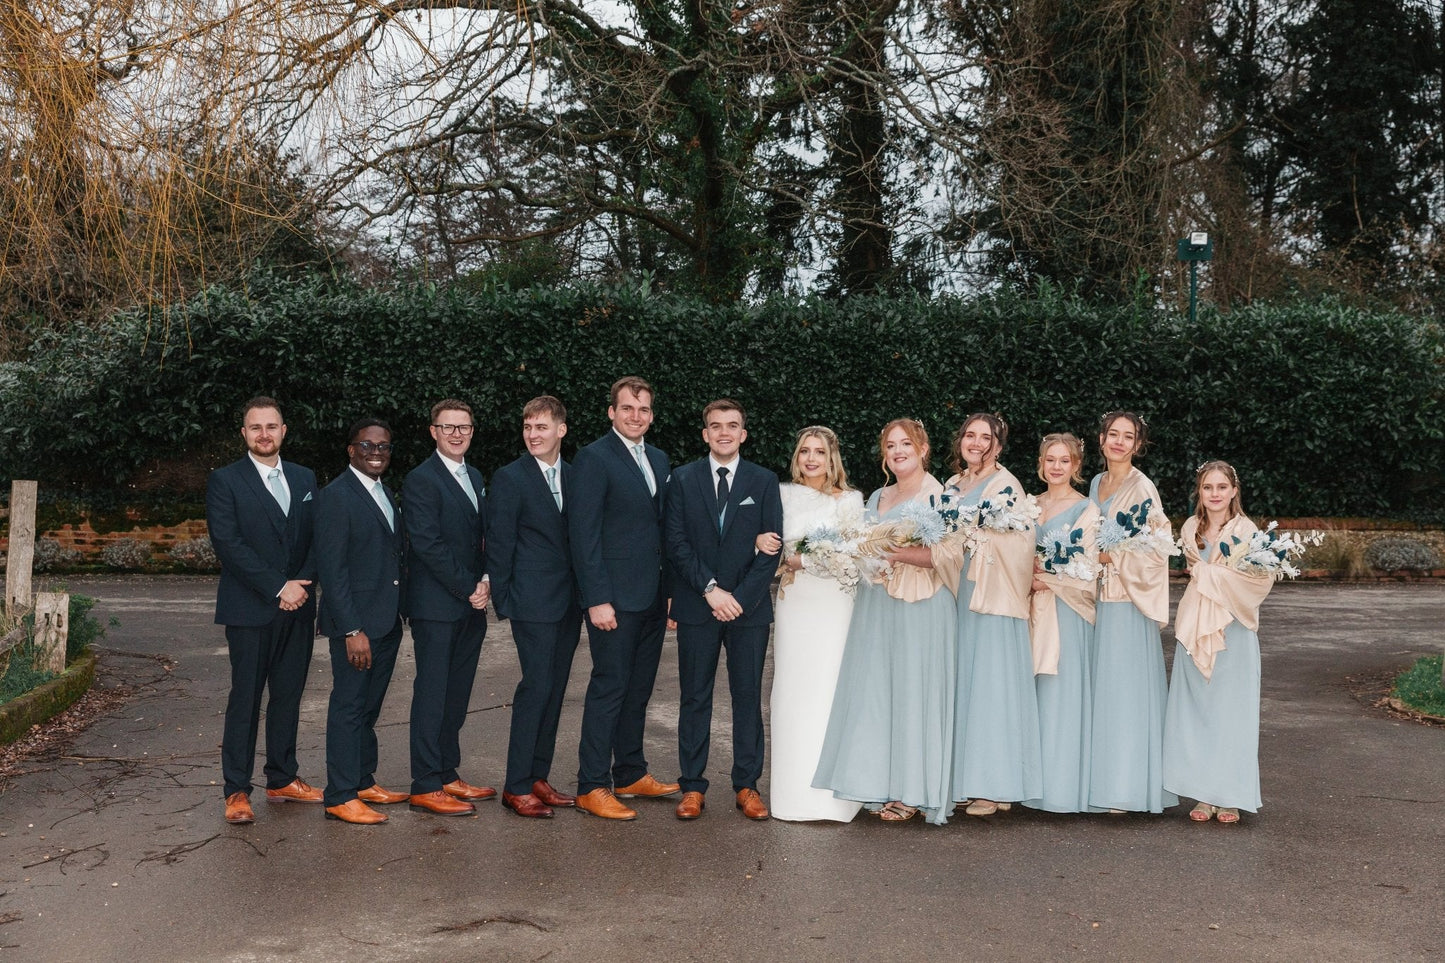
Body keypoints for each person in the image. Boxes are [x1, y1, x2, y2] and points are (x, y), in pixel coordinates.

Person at [812, 419, 958, 825]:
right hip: (877, 605)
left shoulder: (941, 496)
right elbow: (862, 543)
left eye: (905, 444)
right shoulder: (878, 495)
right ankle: (879, 782)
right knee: (879, 695)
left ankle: (914, 791)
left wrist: (894, 556)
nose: (898, 451)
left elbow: (947, 557)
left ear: (923, 448)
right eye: (891, 445)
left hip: (922, 606)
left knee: (914, 695)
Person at [205, 396, 322, 824]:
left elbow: (316, 538)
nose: (264, 434)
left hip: (299, 607)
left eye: (271, 426)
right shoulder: (225, 480)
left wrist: (302, 586)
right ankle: (236, 790)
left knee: (289, 697)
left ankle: (282, 777)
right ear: (244, 433)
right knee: (246, 699)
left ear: (284, 430)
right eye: (255, 427)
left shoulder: (305, 477)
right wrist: (278, 587)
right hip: (250, 609)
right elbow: (229, 544)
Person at [665, 400, 783, 821]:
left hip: (748, 611)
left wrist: (740, 599)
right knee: (694, 698)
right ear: (705, 435)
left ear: (743, 434)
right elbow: (676, 542)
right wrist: (711, 591)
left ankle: (747, 786)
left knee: (748, 699)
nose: (724, 433)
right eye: (715, 426)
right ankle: (692, 786)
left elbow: (772, 546)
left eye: (732, 426)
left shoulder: (764, 481)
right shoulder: (681, 479)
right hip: (699, 605)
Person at [569, 376, 680, 819]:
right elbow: (584, 535)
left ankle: (630, 771)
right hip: (613, 599)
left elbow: (665, 532)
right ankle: (591, 784)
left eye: (644, 410)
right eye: (628, 408)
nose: (637, 417)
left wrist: (671, 594)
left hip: (652, 597)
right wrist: (597, 598)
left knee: (638, 689)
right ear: (612, 412)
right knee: (609, 688)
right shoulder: (593, 459)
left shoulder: (658, 457)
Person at [935, 413, 1041, 817]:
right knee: (964, 684)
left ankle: (995, 786)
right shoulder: (953, 485)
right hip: (958, 593)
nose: (976, 443)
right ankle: (966, 779)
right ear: (960, 441)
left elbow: (1022, 540)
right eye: (970, 436)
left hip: (992, 595)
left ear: (998, 444)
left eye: (986, 437)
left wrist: (979, 535)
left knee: (992, 685)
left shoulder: (1005, 485)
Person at [485, 396, 584, 819]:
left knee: (555, 690)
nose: (533, 435)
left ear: (561, 430)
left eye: (541, 427)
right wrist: (505, 600)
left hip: (570, 604)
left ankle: (538, 777)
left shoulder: (578, 476)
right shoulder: (511, 478)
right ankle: (517, 785)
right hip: (531, 603)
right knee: (535, 689)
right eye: (527, 427)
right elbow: (500, 542)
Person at [1164, 461, 1272, 824]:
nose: (1214, 494)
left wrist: (1211, 575)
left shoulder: (1247, 530)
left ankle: (1229, 797)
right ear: (1200, 491)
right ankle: (1203, 795)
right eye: (1208, 487)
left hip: (1232, 630)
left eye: (1221, 487)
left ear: (1233, 491)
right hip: (1196, 628)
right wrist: (1208, 575)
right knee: (1198, 713)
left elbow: (1258, 583)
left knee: (1230, 714)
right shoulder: (1190, 528)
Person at [403, 399, 494, 816]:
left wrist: (486, 581)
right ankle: (425, 783)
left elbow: (481, 537)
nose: (457, 434)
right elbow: (427, 544)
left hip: (471, 605)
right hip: (437, 605)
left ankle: (446, 772)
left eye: (464, 427)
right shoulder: (421, 479)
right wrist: (468, 586)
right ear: (433, 431)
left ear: (472, 431)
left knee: (456, 693)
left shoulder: (474, 476)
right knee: (433, 692)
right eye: (448, 427)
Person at [769, 427, 865, 823]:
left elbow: (855, 551)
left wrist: (806, 560)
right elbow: (768, 543)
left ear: (832, 458)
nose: (811, 459)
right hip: (796, 602)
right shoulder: (782, 494)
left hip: (835, 602)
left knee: (830, 690)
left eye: (819, 452)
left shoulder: (851, 501)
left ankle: (834, 796)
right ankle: (793, 796)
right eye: (804, 451)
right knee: (793, 691)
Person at [316, 418, 408, 825]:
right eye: (367, 445)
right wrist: (352, 630)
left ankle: (362, 779)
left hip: (386, 621)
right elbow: (332, 572)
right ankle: (339, 794)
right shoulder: (336, 496)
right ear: (350, 449)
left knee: (368, 708)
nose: (376, 452)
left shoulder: (384, 492)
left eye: (383, 447)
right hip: (357, 627)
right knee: (349, 707)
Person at [1088, 411, 1178, 814]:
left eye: (1128, 437)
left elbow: (1158, 547)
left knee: (1125, 694)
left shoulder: (1143, 489)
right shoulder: (1095, 484)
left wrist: (1111, 555)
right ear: (1102, 440)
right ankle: (1100, 782)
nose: (1119, 442)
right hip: (1097, 600)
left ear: (1138, 444)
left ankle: (1126, 789)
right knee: (1102, 693)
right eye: (1113, 435)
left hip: (1127, 600)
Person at [1023, 433, 1100, 814]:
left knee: (1062, 694)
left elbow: (1087, 566)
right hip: (1031, 610)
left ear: (1075, 466)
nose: (1056, 466)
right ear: (1041, 463)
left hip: (1068, 611)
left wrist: (1043, 578)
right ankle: (1029, 785)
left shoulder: (1086, 509)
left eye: (1064, 460)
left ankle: (1062, 789)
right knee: (1032, 693)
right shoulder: (1027, 506)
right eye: (1050, 459)